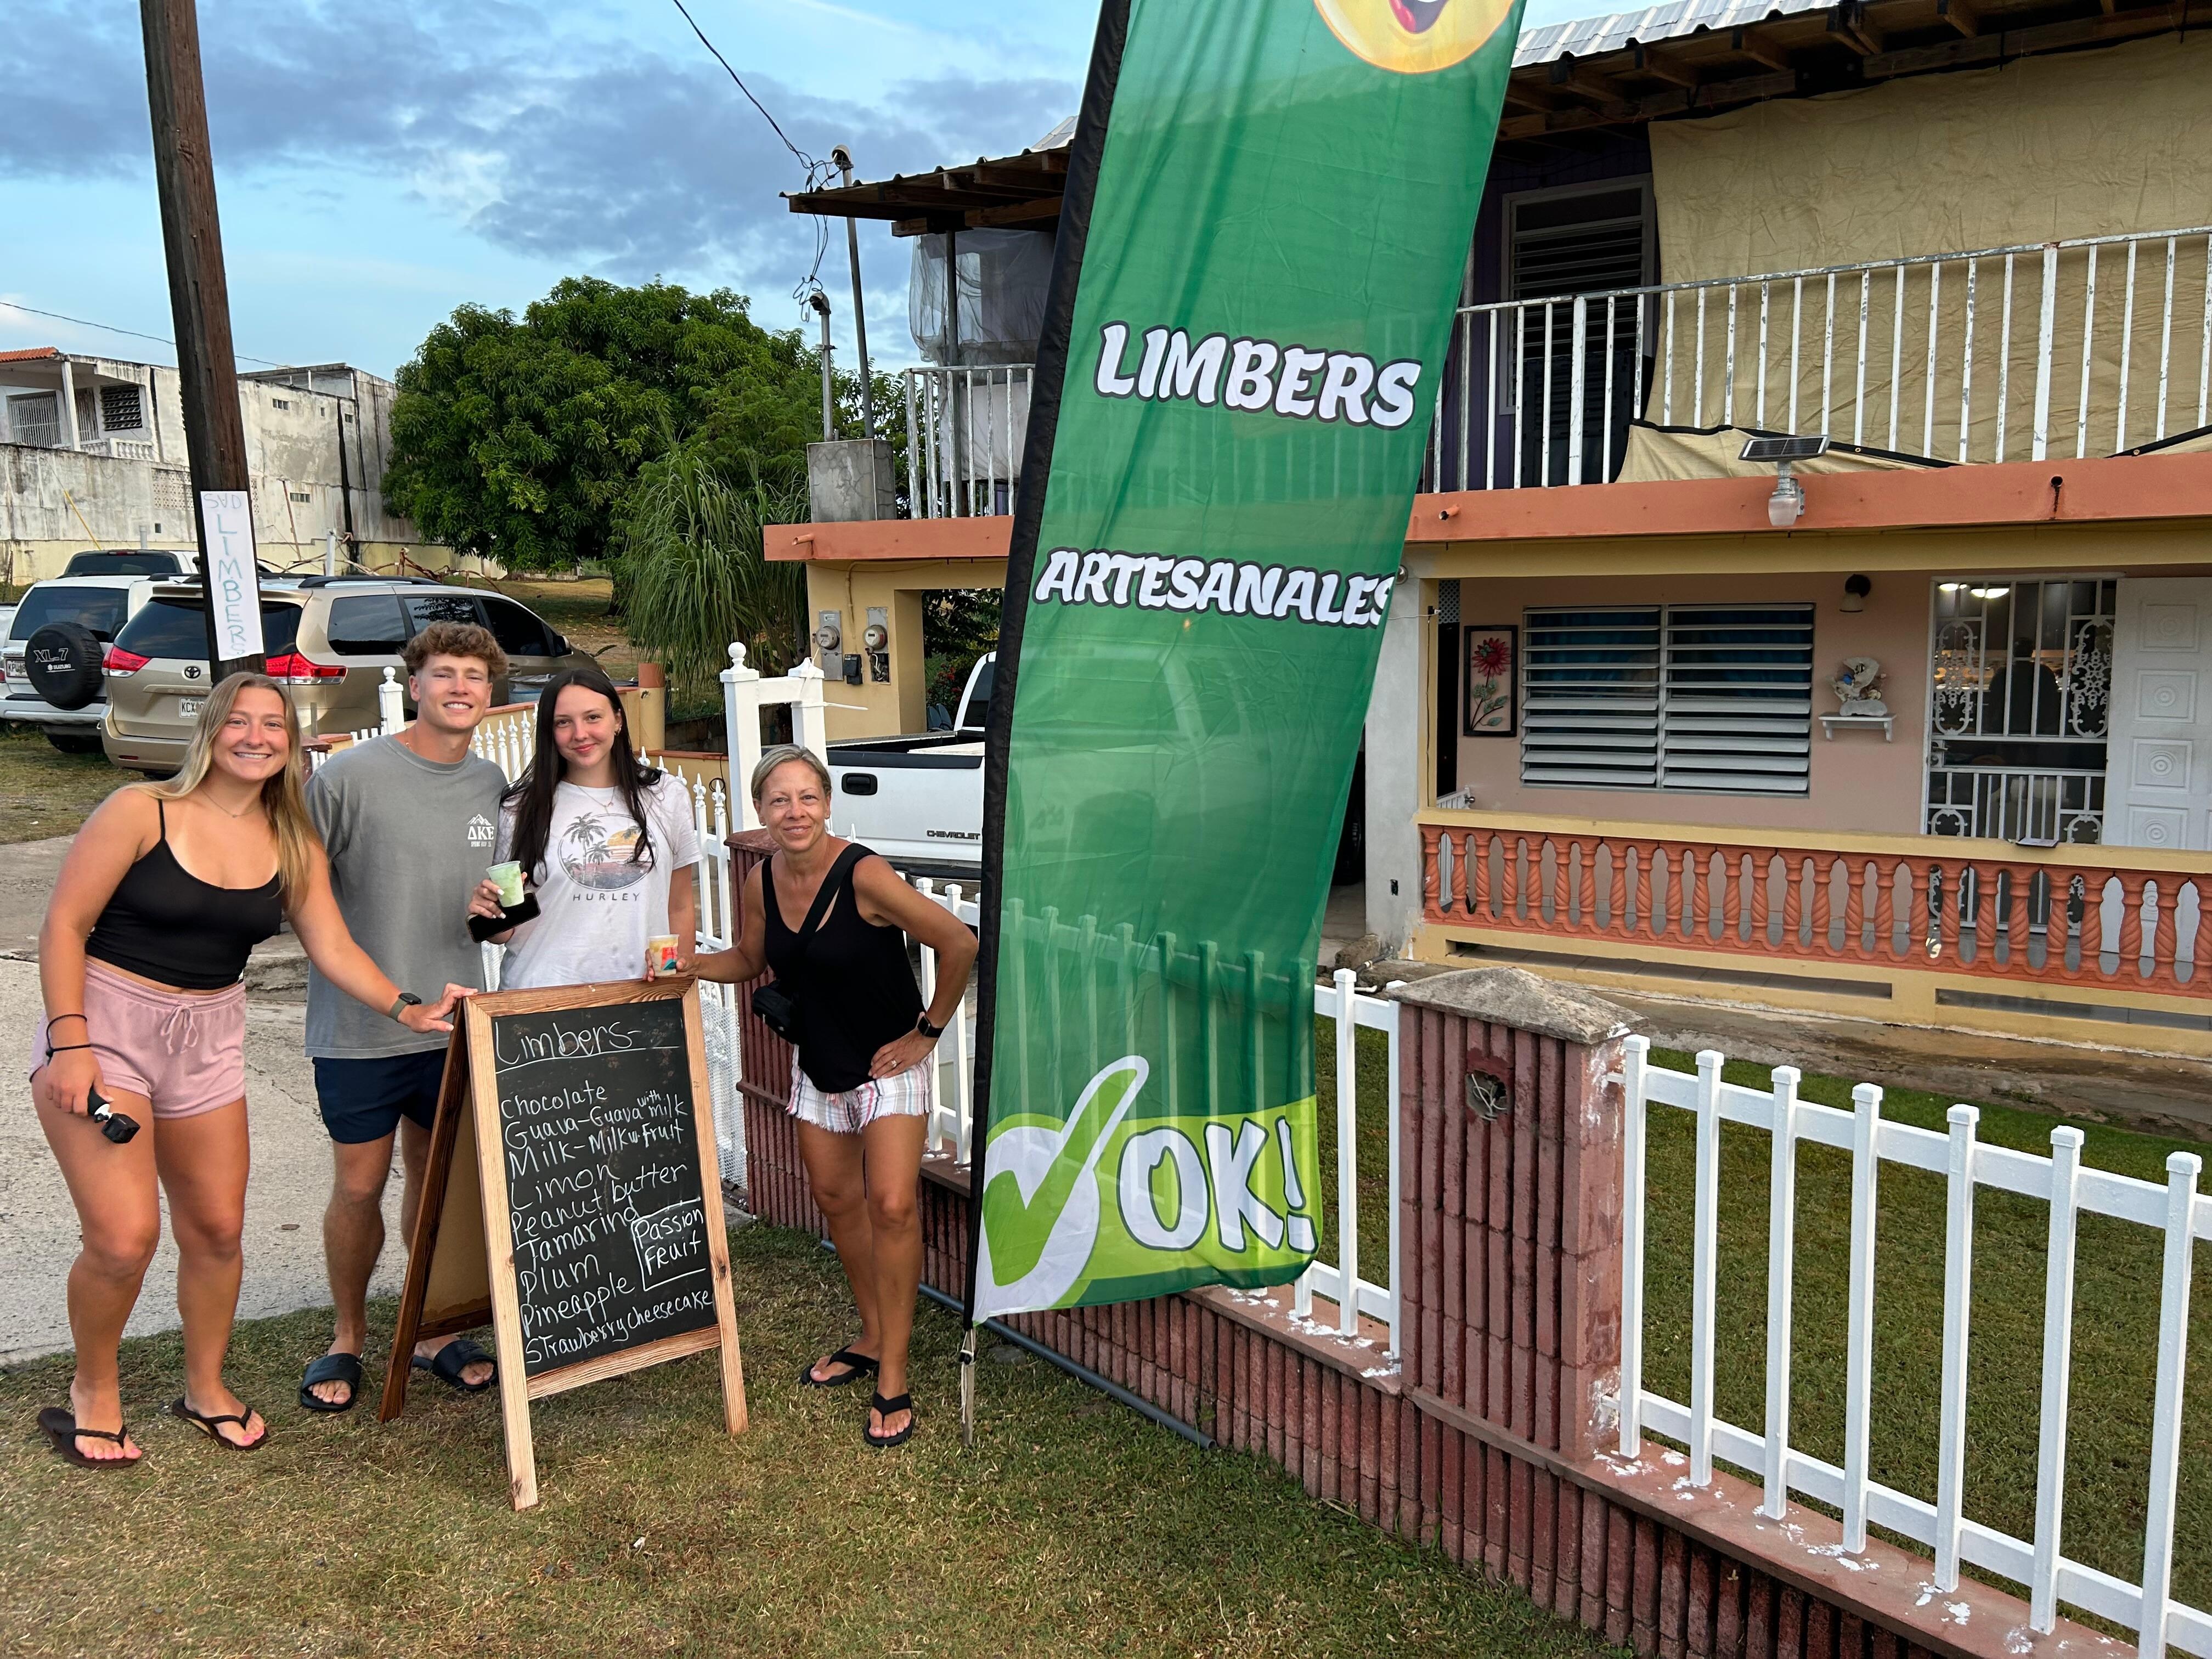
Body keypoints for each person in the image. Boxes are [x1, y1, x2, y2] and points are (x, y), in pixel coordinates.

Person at [30, 674, 469, 1468]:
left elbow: (332, 947)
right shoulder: (143, 811)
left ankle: (204, 1387)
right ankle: (93, 1390)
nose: (257, 736)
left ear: (290, 743)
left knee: (219, 1232)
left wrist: (407, 1007)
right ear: (211, 730)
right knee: (126, 1238)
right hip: (109, 1029)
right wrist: (69, 1044)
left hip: (208, 1037)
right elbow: (64, 924)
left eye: (274, 725)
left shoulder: (290, 840)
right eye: (240, 721)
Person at [693, 746, 977, 1450]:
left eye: (807, 797)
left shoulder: (865, 874)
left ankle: (895, 1374)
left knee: (892, 1203)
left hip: (889, 1062)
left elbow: (959, 941)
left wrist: (927, 1032)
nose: (795, 813)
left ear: (827, 802)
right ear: (759, 812)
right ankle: (874, 1334)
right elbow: (750, 961)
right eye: (779, 801)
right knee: (838, 1199)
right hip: (819, 1062)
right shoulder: (760, 880)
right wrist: (686, 965)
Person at [299, 621, 510, 1414]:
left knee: (433, 1188)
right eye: (445, 673)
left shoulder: (495, 785)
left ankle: (426, 1331)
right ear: (414, 684)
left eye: (476, 677)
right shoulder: (350, 778)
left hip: (452, 1028)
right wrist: (387, 996)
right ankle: (347, 1335)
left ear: (491, 696)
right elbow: (306, 901)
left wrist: (499, 916)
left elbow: (502, 904)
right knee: (358, 1187)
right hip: (360, 1031)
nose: (460, 688)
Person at [470, 666, 699, 990]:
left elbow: (679, 904)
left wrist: (675, 981)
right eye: (563, 722)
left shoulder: (666, 795)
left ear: (618, 720)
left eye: (593, 717)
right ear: (549, 731)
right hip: (541, 999)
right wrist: (490, 913)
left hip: (641, 996)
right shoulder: (519, 808)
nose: (580, 734)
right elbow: (504, 932)